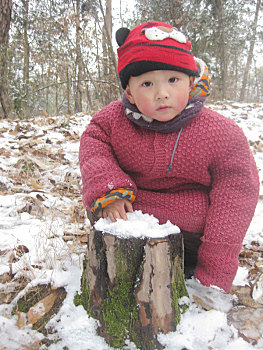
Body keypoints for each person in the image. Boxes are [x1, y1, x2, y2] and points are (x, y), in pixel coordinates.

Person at [79, 21, 259, 295]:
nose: (161, 93)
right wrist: (110, 190)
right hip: (129, 223)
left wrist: (214, 273)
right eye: (147, 83)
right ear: (129, 91)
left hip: (195, 238)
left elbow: (235, 201)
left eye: (173, 80)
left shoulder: (220, 133)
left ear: (191, 81)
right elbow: (94, 143)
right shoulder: (113, 120)